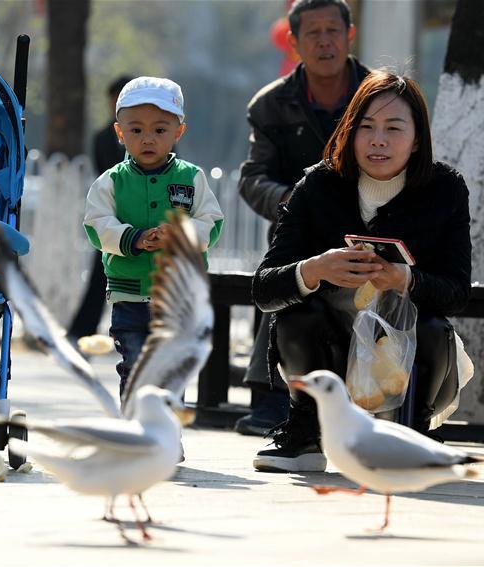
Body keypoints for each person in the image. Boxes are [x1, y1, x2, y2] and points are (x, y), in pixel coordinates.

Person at [251, 71, 470, 473]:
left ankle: (413, 433)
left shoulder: (446, 189)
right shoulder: (317, 185)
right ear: (349, 132)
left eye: (394, 128)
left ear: (418, 138)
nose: (378, 140)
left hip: (402, 351)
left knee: (435, 326)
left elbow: (458, 292)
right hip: (331, 342)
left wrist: (407, 280)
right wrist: (314, 269)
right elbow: (264, 288)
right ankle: (306, 434)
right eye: (365, 127)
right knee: (296, 314)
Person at [236, 0, 369, 436]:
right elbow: (254, 178)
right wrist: (295, 203)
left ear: (350, 35)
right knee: (282, 275)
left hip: (369, 226)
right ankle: (273, 399)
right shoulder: (270, 105)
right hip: (297, 228)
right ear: (293, 41)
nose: (325, 41)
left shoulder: (379, 95)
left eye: (333, 30)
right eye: (313, 33)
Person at [83, 77, 224, 396]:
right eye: (136, 130)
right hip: (130, 297)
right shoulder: (111, 182)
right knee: (135, 365)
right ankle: (137, 436)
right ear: (120, 133)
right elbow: (96, 225)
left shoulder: (191, 178)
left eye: (160, 130)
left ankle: (167, 438)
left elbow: (212, 223)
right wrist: (132, 238)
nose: (148, 139)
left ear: (179, 132)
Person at [67, 75, 134, 343]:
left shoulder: (157, 134)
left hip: (149, 217)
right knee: (101, 274)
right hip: (112, 217)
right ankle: (82, 329)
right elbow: (103, 178)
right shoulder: (103, 138)